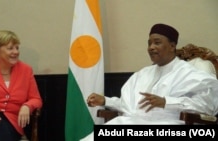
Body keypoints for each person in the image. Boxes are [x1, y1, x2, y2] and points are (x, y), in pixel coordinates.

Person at [80, 23, 218, 140]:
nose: (151, 47)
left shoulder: (191, 74)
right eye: (149, 43)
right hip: (133, 123)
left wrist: (166, 102)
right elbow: (131, 106)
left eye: (157, 42)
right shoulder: (142, 74)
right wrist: (106, 101)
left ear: (172, 46)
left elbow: (206, 108)